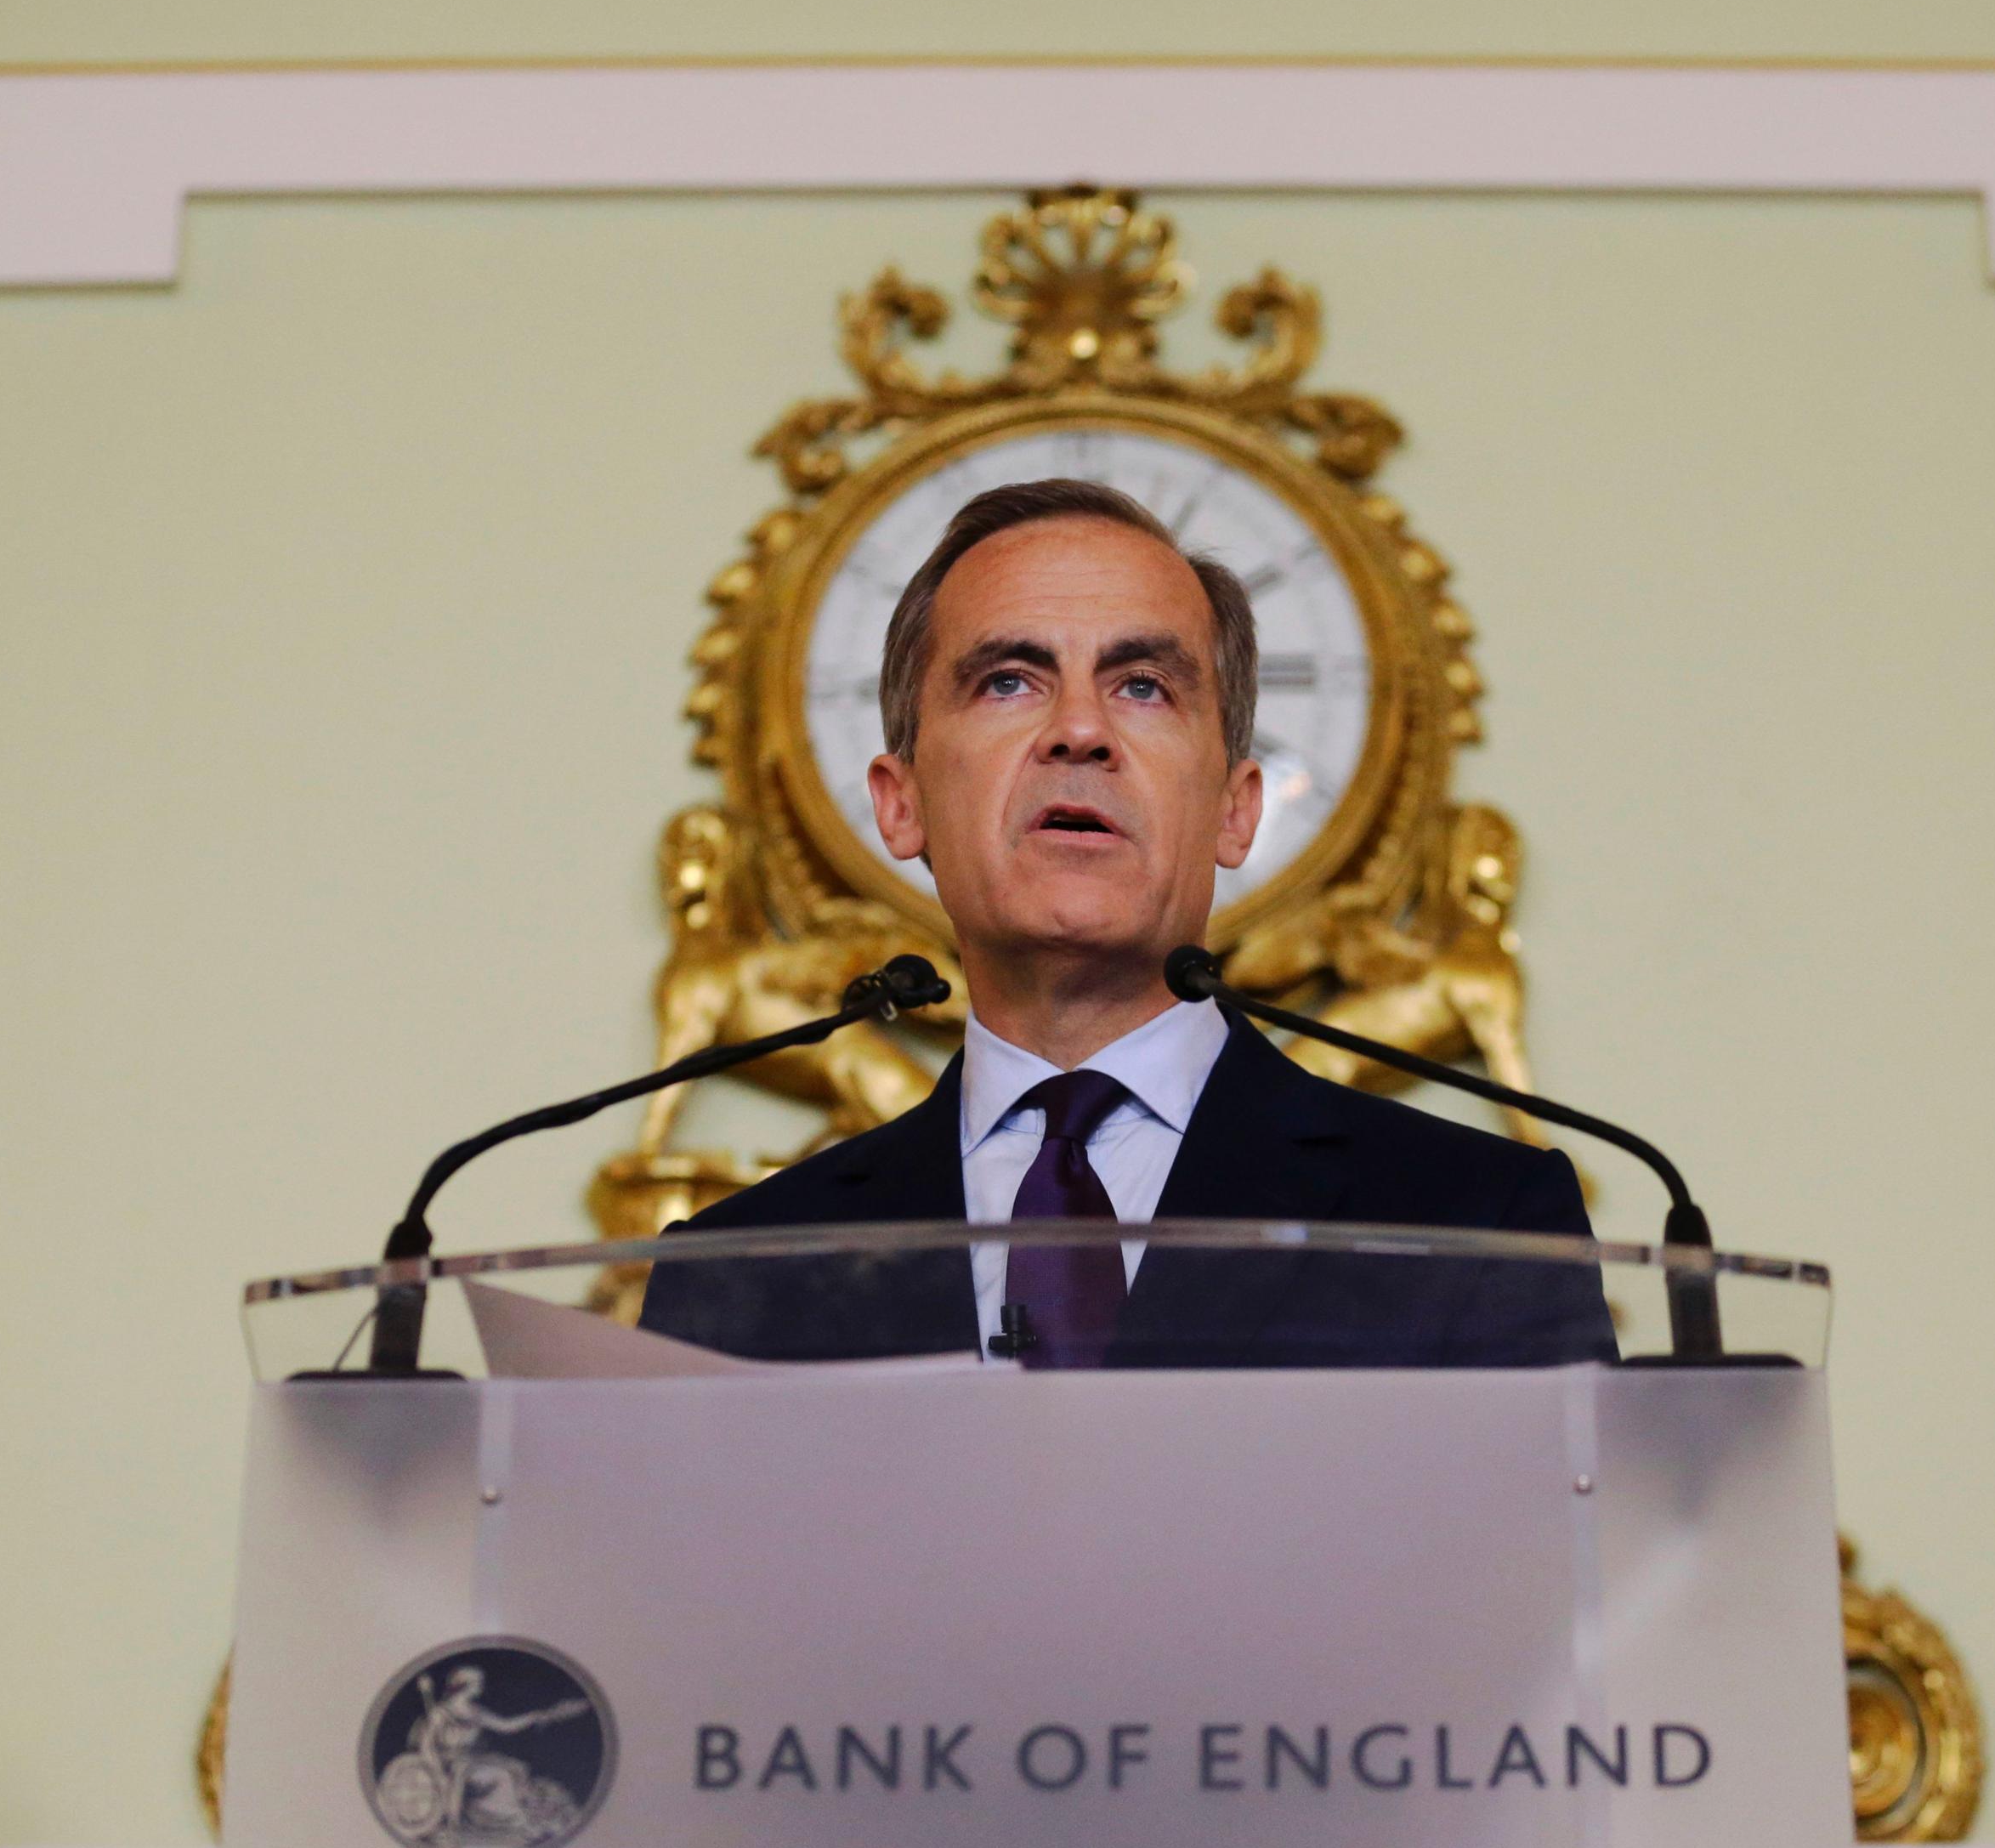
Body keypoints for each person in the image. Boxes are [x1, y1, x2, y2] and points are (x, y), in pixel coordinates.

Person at [636, 479, 1612, 1369]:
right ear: (901, 803)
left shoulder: (1474, 1225)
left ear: (1236, 810)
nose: (1080, 729)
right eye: (1008, 679)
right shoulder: (737, 1278)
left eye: (1143, 685)